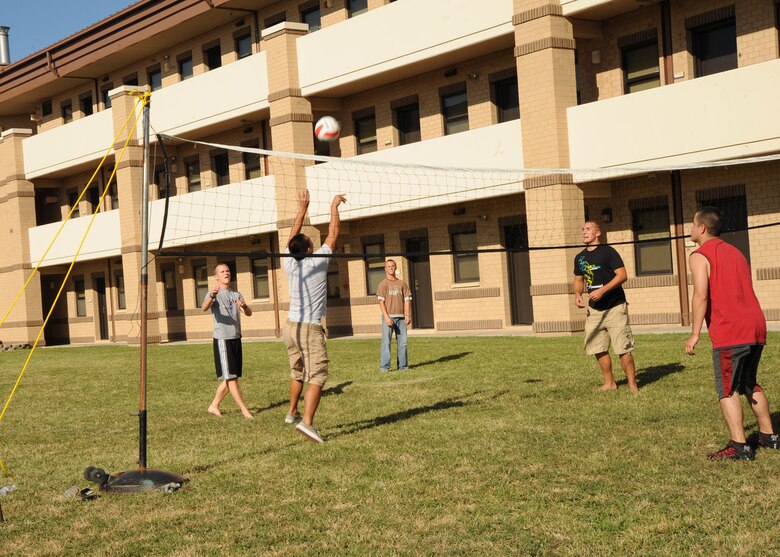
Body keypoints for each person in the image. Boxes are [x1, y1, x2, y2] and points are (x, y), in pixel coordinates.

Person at [685, 206, 779, 460]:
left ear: (702, 228)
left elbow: (701, 294)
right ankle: (768, 436)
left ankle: (739, 447)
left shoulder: (699, 255)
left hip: (732, 330)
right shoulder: (736, 251)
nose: (690, 229)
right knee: (749, 382)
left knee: (727, 389)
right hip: (756, 326)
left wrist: (695, 333)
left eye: (692, 224)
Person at [282, 189, 346, 443]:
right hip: (309, 327)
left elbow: (292, 236)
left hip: (290, 327)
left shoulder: (288, 260)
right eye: (309, 240)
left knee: (297, 371)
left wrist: (302, 208)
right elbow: (333, 233)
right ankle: (307, 423)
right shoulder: (318, 260)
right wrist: (334, 206)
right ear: (309, 248)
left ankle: (291, 412)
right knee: (317, 375)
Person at [573, 221, 638, 392]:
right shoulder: (580, 257)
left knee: (622, 348)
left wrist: (602, 290)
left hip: (615, 306)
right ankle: (610, 383)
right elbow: (579, 280)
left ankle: (633, 385)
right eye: (583, 230)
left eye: (588, 229)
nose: (584, 232)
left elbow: (622, 275)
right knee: (597, 347)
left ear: (597, 233)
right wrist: (578, 294)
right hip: (594, 309)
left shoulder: (609, 252)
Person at [202, 262, 253, 419]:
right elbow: (204, 307)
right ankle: (245, 411)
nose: (226, 273)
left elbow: (249, 313)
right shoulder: (214, 293)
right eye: (222, 271)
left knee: (232, 376)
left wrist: (244, 307)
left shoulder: (236, 294)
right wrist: (212, 295)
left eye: (228, 271)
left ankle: (214, 405)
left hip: (236, 337)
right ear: (216, 276)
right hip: (222, 339)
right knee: (231, 377)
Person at [376, 259, 412, 371]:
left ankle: (403, 366)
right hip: (389, 317)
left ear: (395, 267)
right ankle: (384, 367)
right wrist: (386, 317)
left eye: (392, 266)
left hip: (401, 318)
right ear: (385, 269)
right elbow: (381, 302)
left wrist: (407, 315)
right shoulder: (382, 284)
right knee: (386, 342)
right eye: (388, 266)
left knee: (403, 343)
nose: (391, 268)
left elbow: (407, 299)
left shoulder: (402, 283)